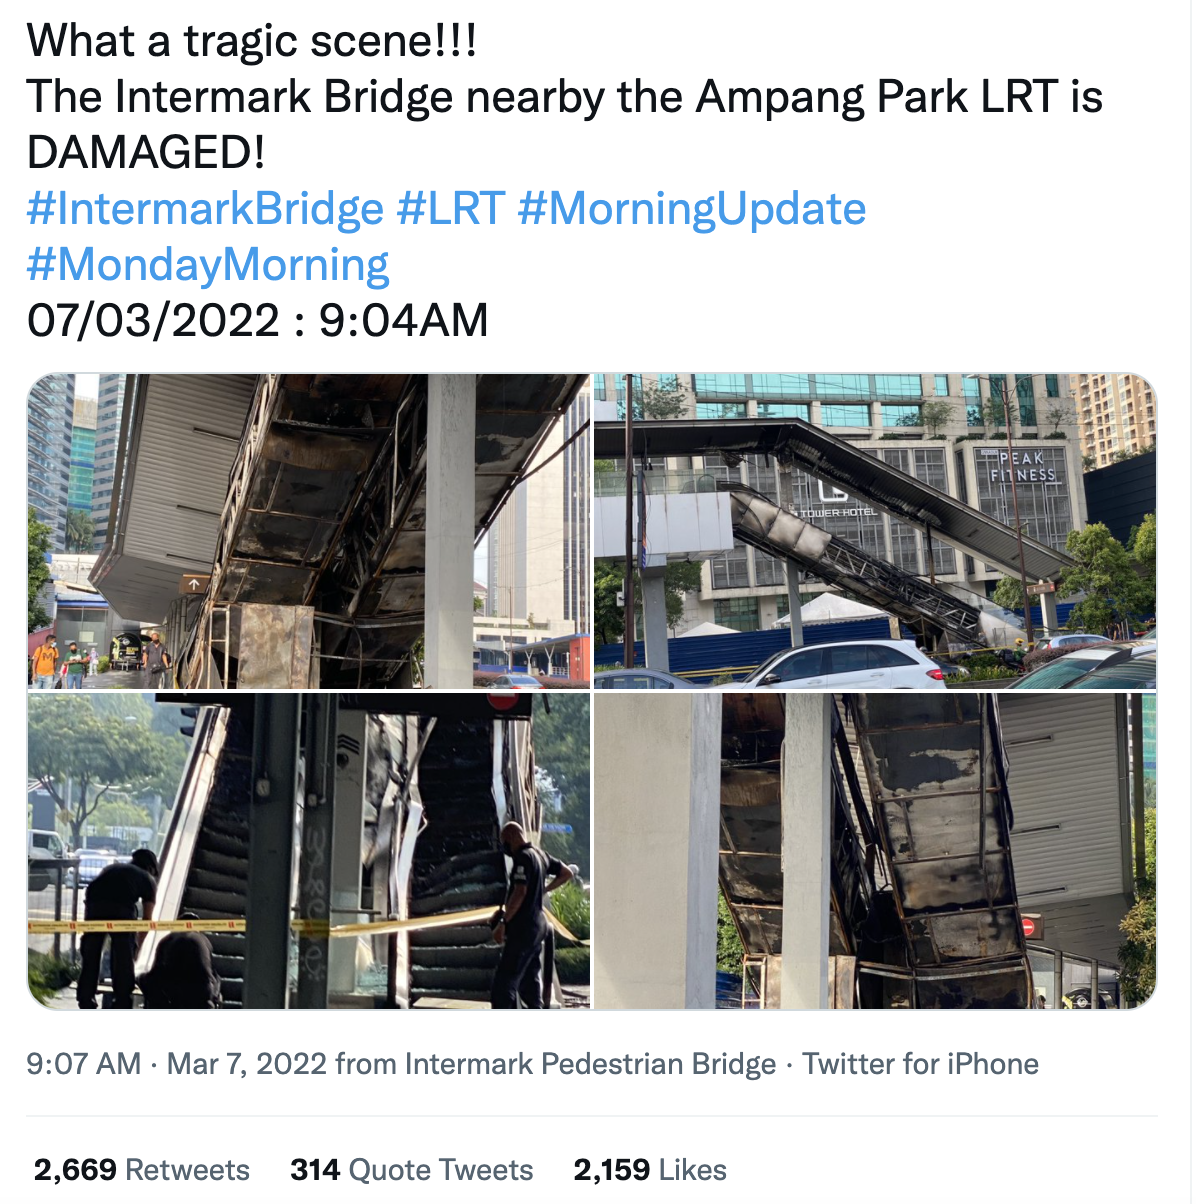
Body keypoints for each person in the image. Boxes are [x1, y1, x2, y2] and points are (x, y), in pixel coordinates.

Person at [490, 821, 573, 1009]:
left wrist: (503, 922)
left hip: (523, 929)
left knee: (503, 986)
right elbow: (567, 873)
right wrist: (544, 890)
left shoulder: (523, 858)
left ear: (512, 837)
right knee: (530, 984)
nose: (506, 848)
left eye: (505, 843)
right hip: (538, 928)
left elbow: (520, 892)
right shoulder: (541, 855)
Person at [76, 849, 159, 1010]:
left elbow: (94, 888)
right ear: (151, 868)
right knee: (123, 955)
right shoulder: (148, 879)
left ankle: (86, 997)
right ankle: (121, 999)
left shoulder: (112, 868)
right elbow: (147, 921)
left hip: (94, 903)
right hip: (121, 908)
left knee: (91, 951)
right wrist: (136, 947)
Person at [138, 912, 222, 1009]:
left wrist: (141, 978)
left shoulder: (167, 939)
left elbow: (155, 973)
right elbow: (214, 974)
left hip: (172, 996)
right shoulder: (204, 941)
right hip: (201, 997)